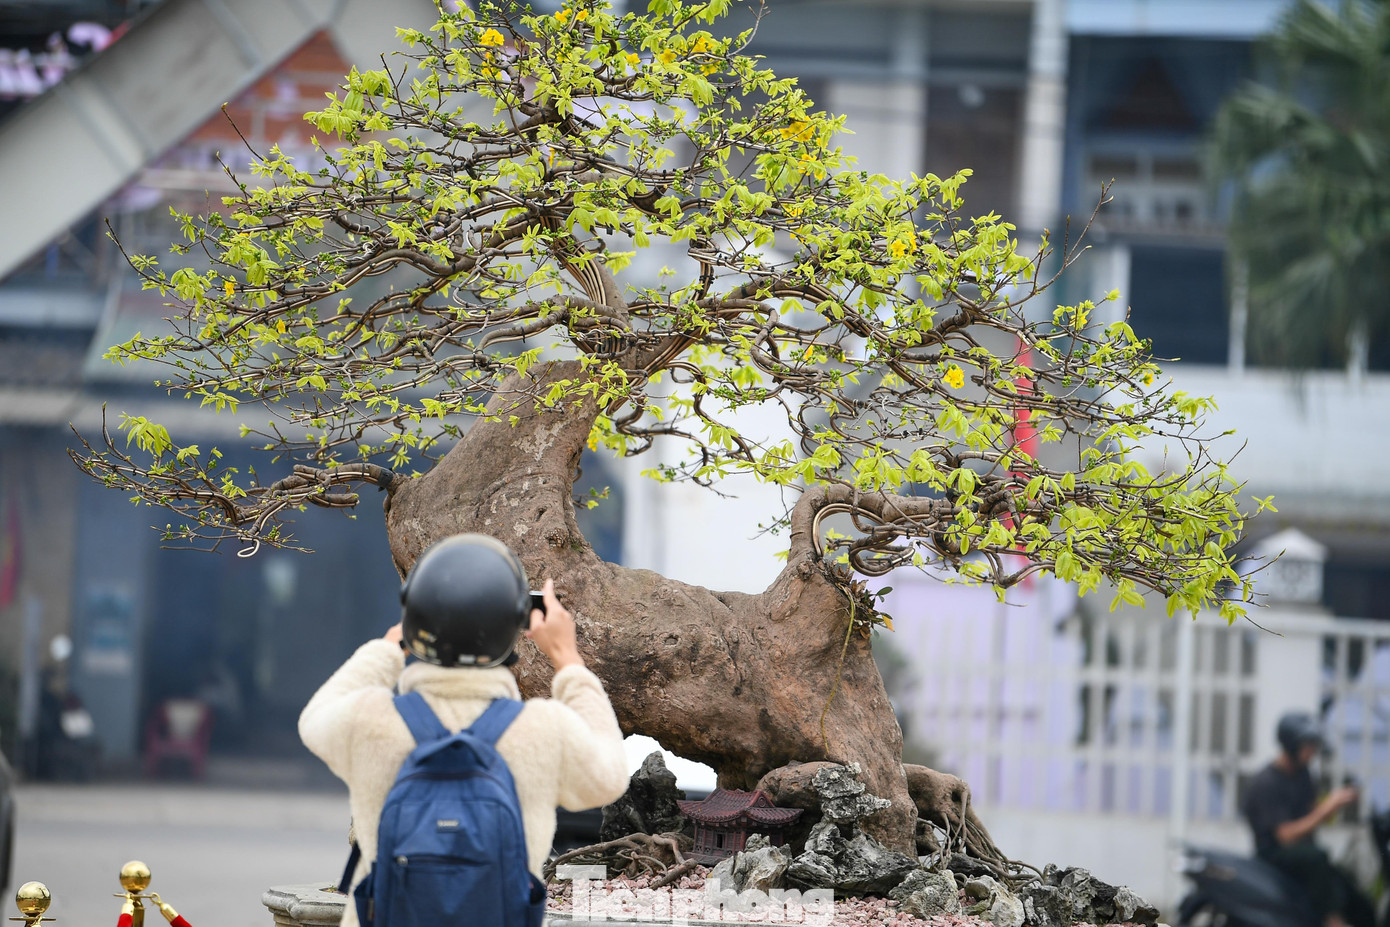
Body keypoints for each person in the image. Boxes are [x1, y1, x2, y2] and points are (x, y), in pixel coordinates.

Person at [299, 534, 630, 927]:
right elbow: (609, 777)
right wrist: (567, 659)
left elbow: (313, 721)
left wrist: (387, 649)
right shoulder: (544, 729)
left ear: (413, 619)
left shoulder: (369, 720)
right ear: (515, 627)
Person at [1241, 711, 1374, 927]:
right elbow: (1285, 836)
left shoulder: (1303, 775)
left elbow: (1310, 814)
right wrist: (1327, 807)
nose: (1312, 751)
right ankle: (1332, 921)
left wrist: (1334, 805)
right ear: (1291, 744)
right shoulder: (1267, 782)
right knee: (1316, 857)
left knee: (1344, 883)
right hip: (1273, 854)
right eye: (1307, 744)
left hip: (1303, 854)